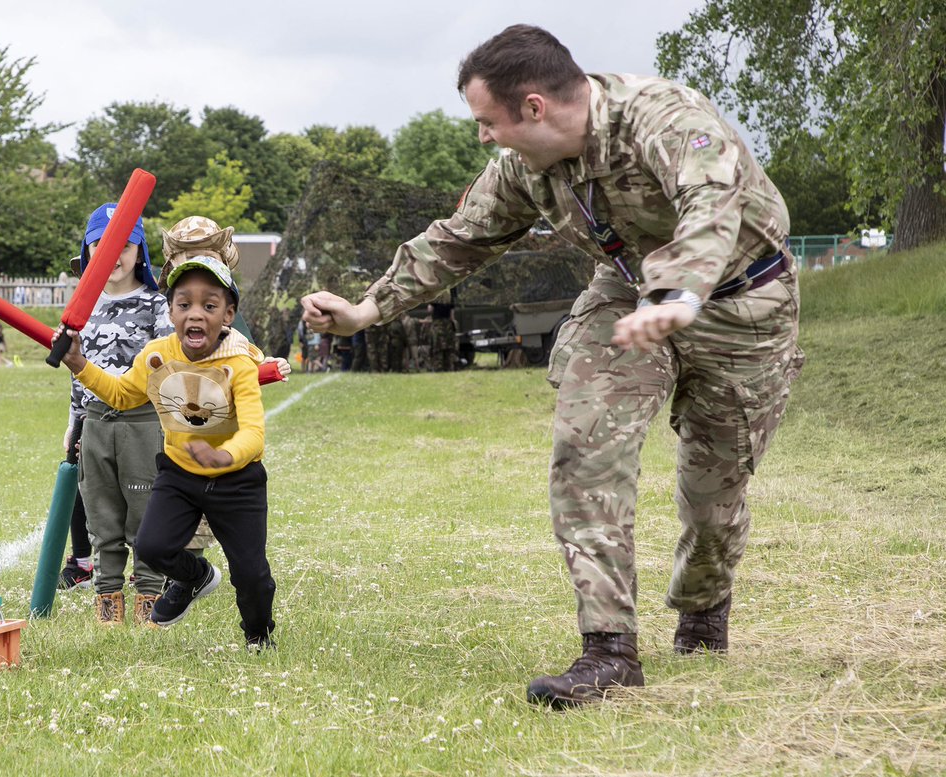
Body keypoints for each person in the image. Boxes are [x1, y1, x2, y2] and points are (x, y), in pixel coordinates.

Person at [300, 24, 803, 708]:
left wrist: (682, 290)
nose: (484, 136)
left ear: (533, 107)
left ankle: (703, 605)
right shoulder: (523, 167)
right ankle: (610, 647)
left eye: (488, 121)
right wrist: (365, 311)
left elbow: (711, 203)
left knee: (712, 488)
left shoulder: (666, 117)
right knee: (586, 444)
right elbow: (457, 240)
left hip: (743, 301)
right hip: (626, 294)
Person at [58, 255, 276, 649]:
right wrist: (79, 364)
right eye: (184, 304)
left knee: (251, 574)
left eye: (209, 305)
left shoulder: (238, 364)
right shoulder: (156, 355)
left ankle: (258, 637)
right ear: (170, 310)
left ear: (228, 314)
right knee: (152, 547)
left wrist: (225, 457)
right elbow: (123, 395)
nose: (196, 314)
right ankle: (195, 577)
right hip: (180, 474)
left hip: (237, 480)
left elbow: (254, 433)